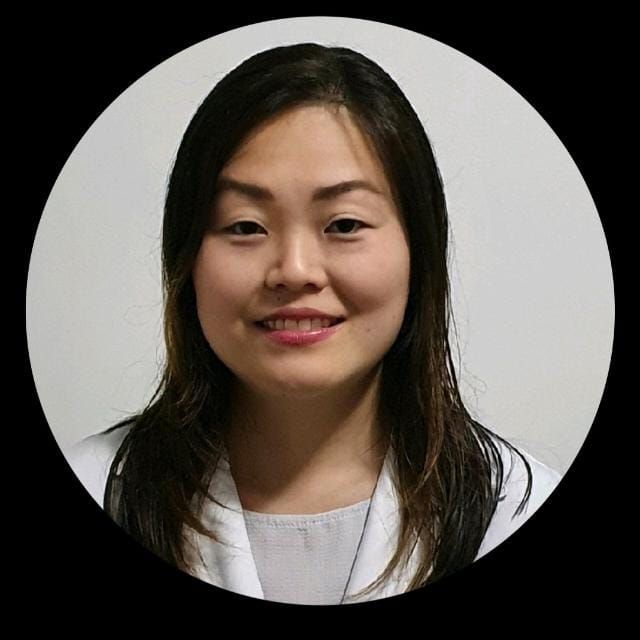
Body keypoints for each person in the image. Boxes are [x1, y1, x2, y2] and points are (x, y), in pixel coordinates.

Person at [66, 42, 562, 606]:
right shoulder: (99, 487)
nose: (295, 270)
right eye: (245, 226)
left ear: (419, 252)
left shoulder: (513, 511)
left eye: (344, 224)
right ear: (186, 261)